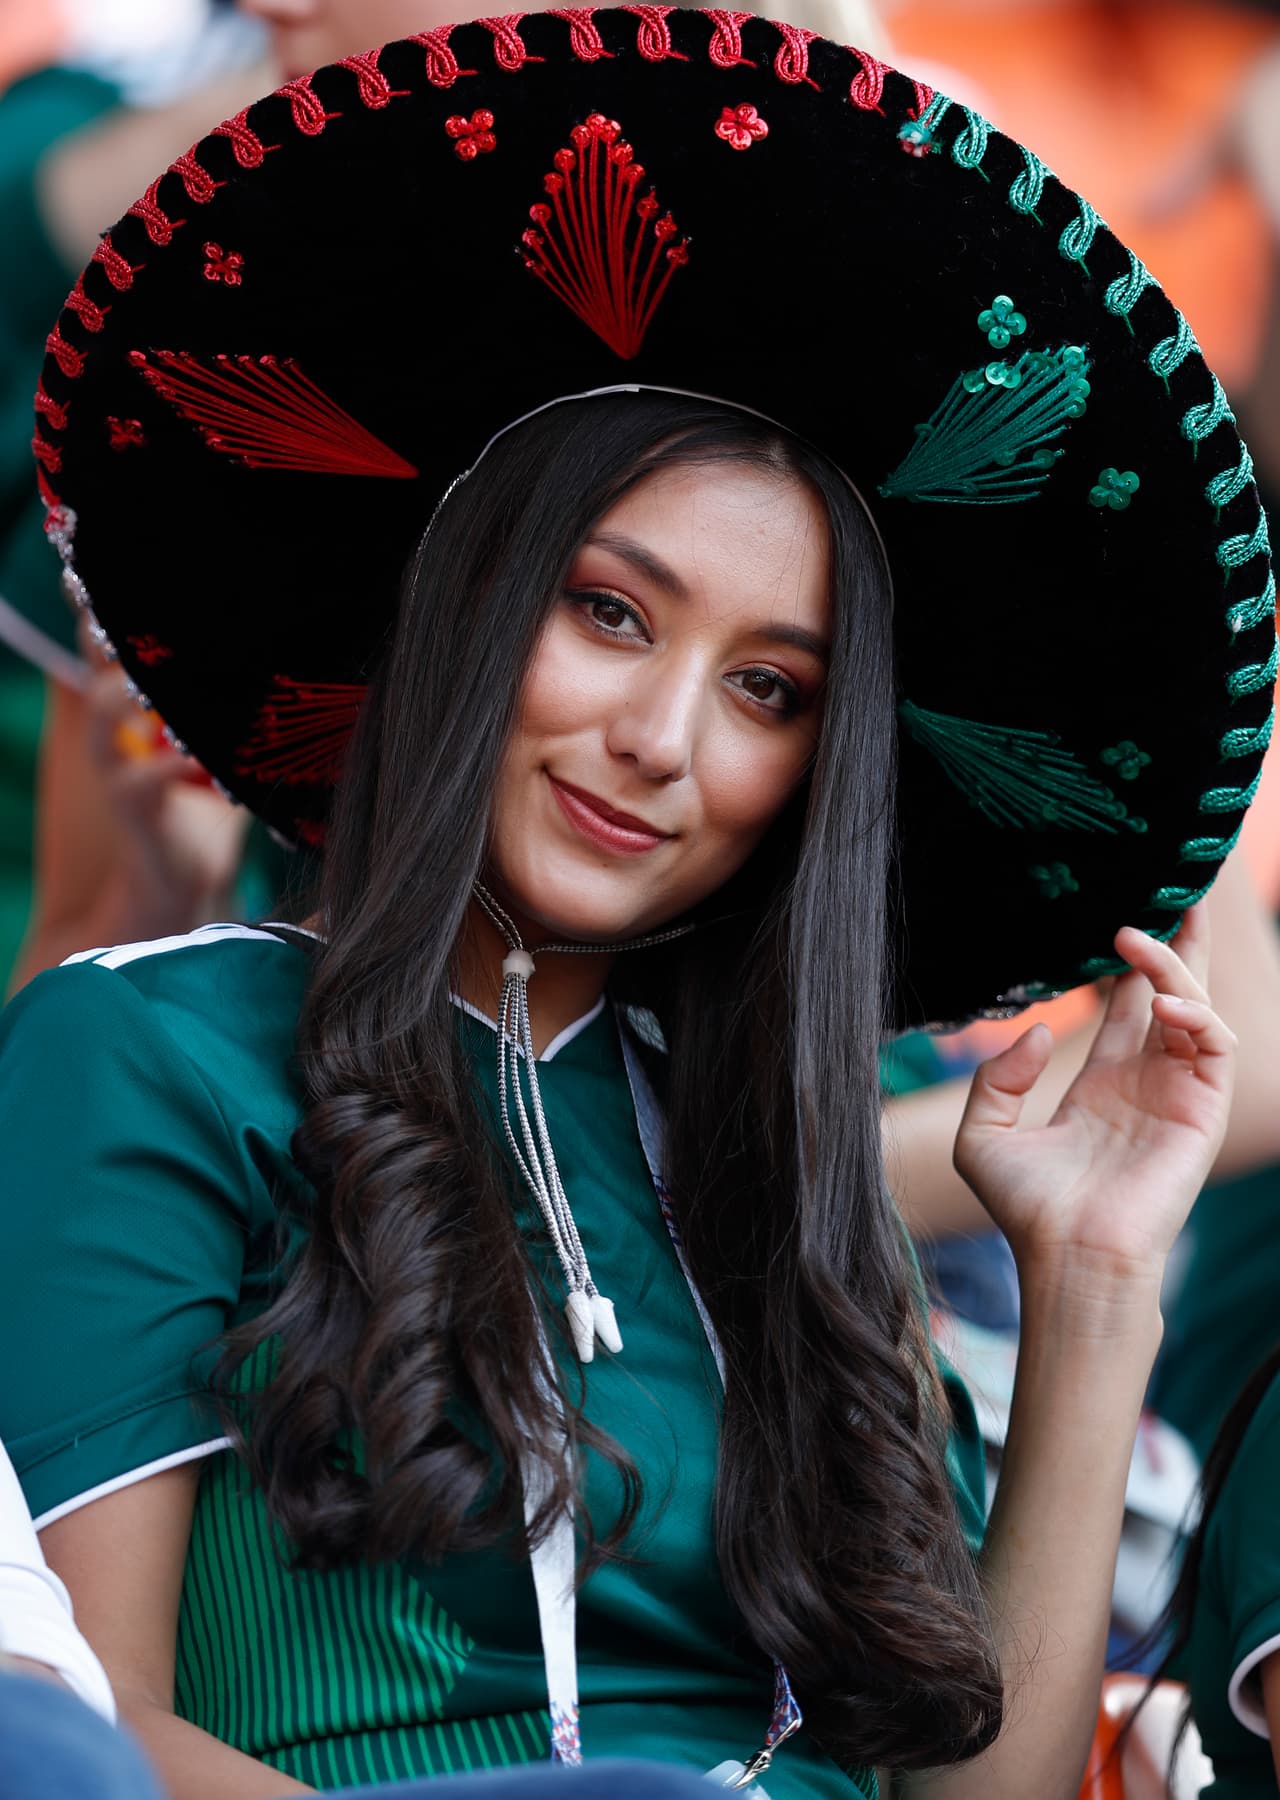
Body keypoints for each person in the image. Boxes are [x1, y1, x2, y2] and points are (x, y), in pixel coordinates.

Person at [4, 12, 1270, 1798]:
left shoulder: (791, 1155)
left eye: (772, 690)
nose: (664, 740)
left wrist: (1095, 1277)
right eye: (611, 610)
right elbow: (79, 1736)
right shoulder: (149, 1046)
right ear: (467, 602)